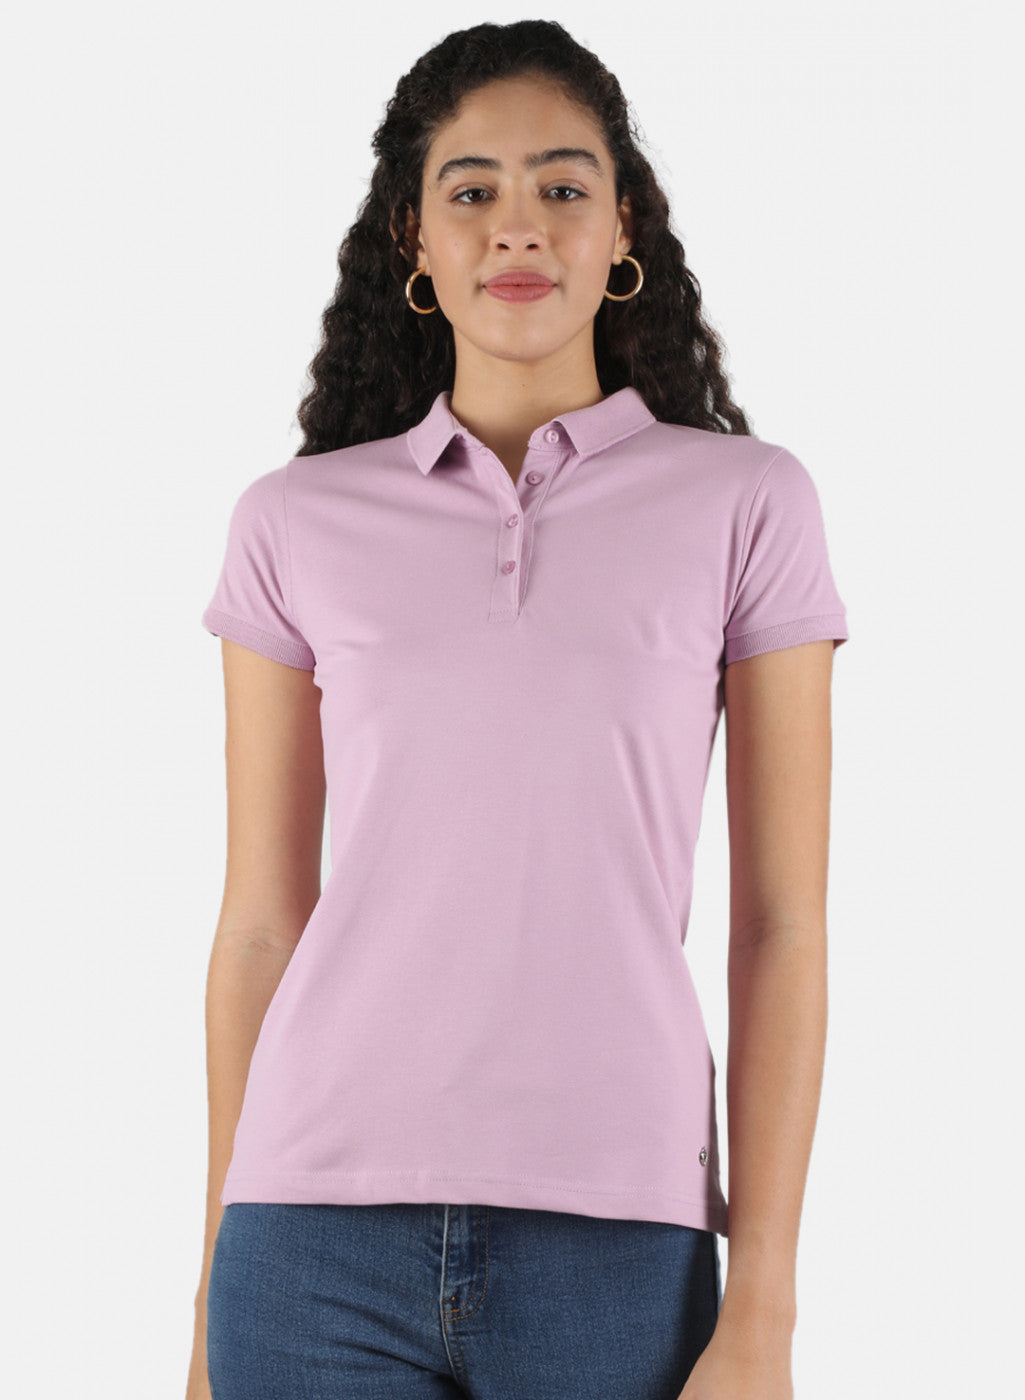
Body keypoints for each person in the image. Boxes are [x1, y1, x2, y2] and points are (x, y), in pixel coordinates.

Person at [185, 19, 849, 1400]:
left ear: (624, 229)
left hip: (617, 1239)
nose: (518, 225)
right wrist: (206, 1296)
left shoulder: (746, 502)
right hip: (305, 1246)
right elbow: (258, 926)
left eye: (561, 184)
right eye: (471, 190)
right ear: (414, 242)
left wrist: (766, 1308)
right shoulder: (293, 520)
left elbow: (781, 924)